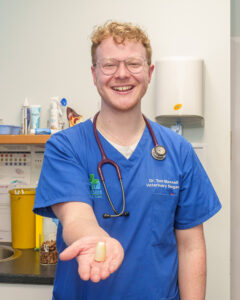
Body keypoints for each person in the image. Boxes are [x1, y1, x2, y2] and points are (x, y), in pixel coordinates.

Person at [33, 21, 221, 300]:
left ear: (149, 72)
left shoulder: (178, 151)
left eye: (133, 64)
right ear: (94, 74)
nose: (122, 74)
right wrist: (93, 238)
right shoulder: (66, 147)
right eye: (109, 65)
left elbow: (190, 246)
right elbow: (75, 217)